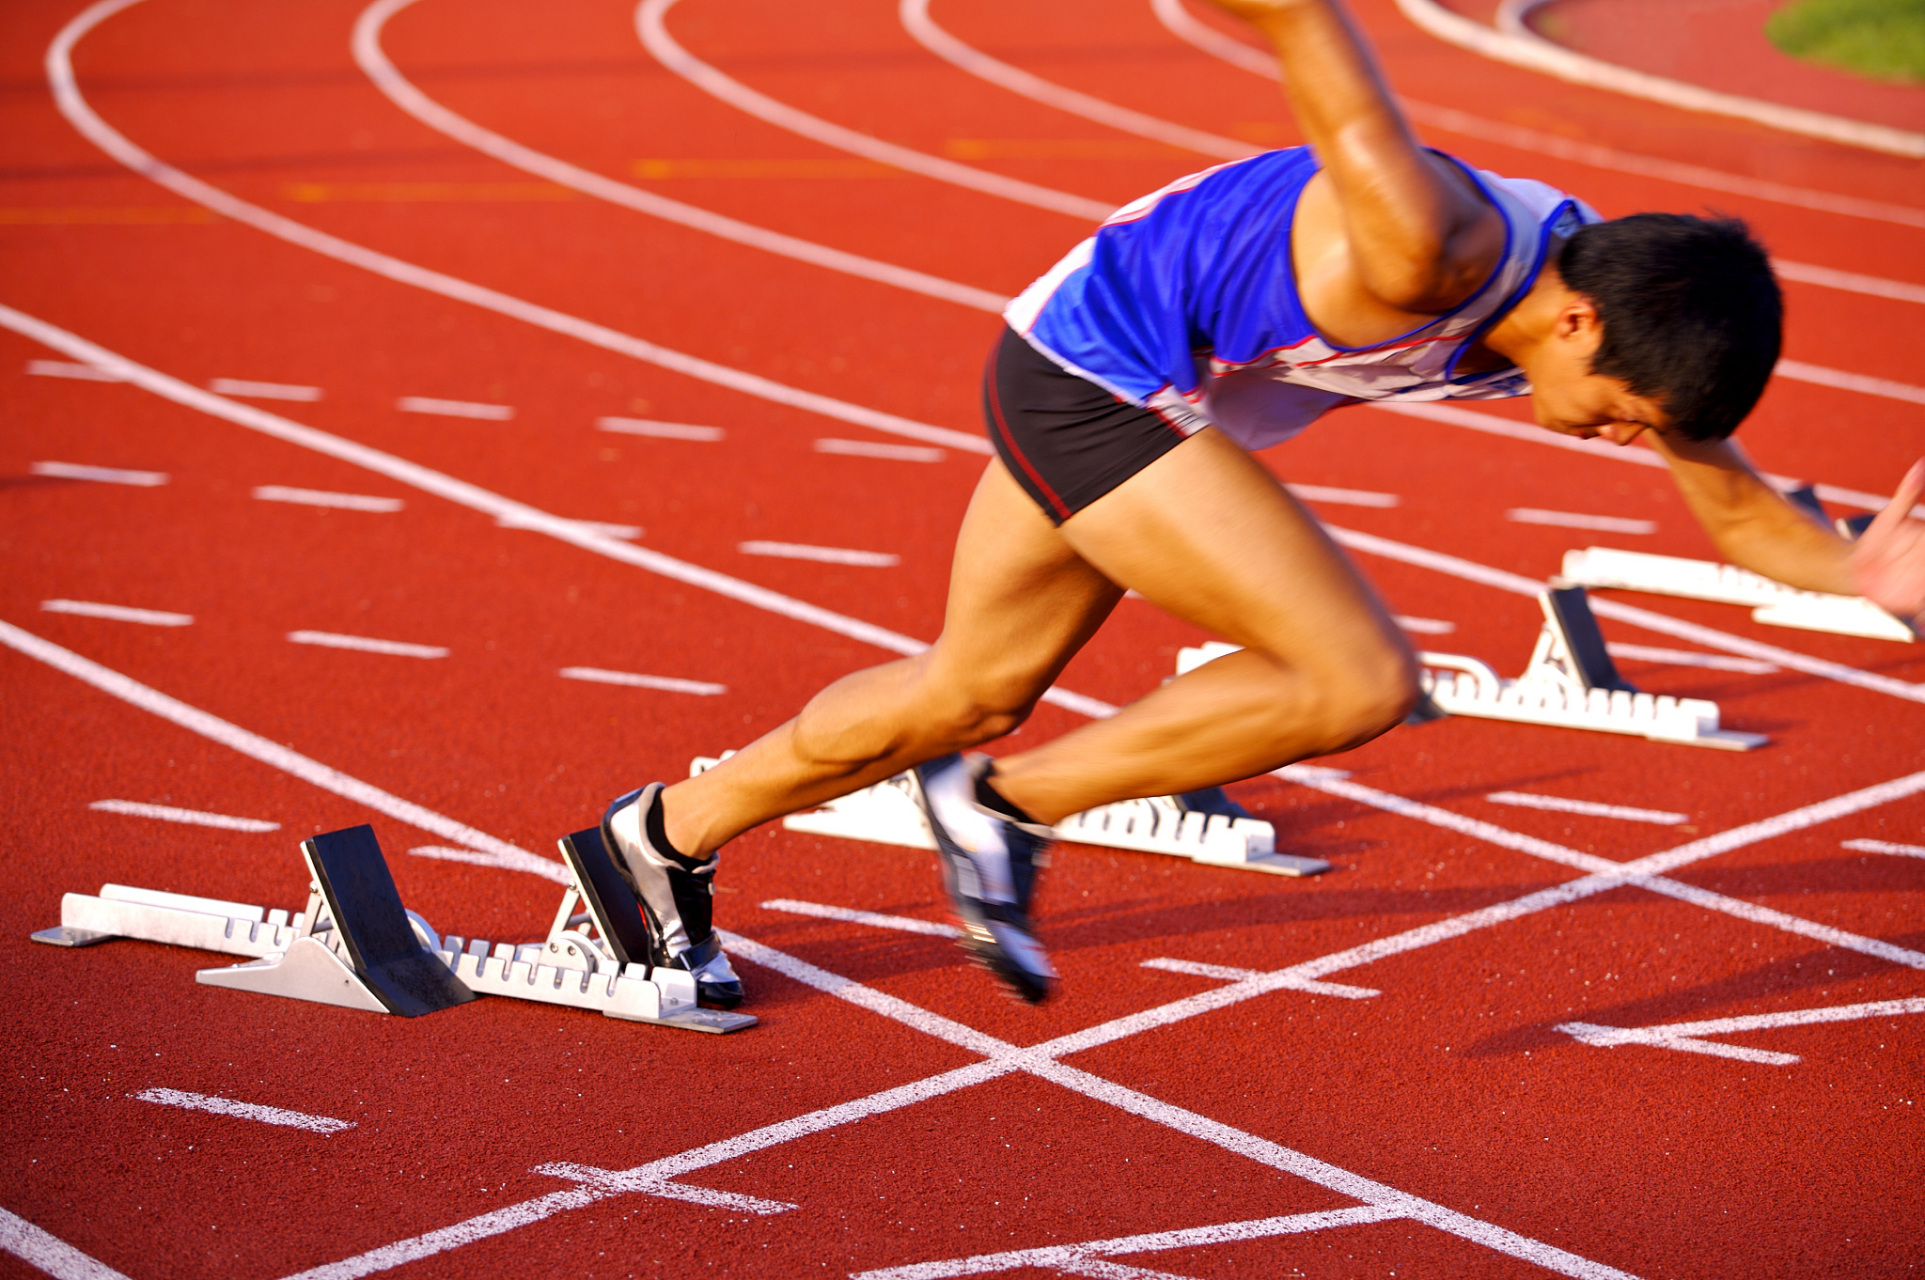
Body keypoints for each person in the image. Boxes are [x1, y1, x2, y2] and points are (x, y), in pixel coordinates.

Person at [595, 0, 1925, 1008]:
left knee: (968, 690)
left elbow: (1745, 519)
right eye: (1626, 414)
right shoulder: (1429, 240)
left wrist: (1868, 576)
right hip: (1092, 372)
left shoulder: (1620, 318)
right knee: (1355, 677)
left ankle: (653, 842)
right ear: (1572, 318)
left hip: (1162, 395)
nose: (1624, 440)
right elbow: (1297, 14)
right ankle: (998, 809)